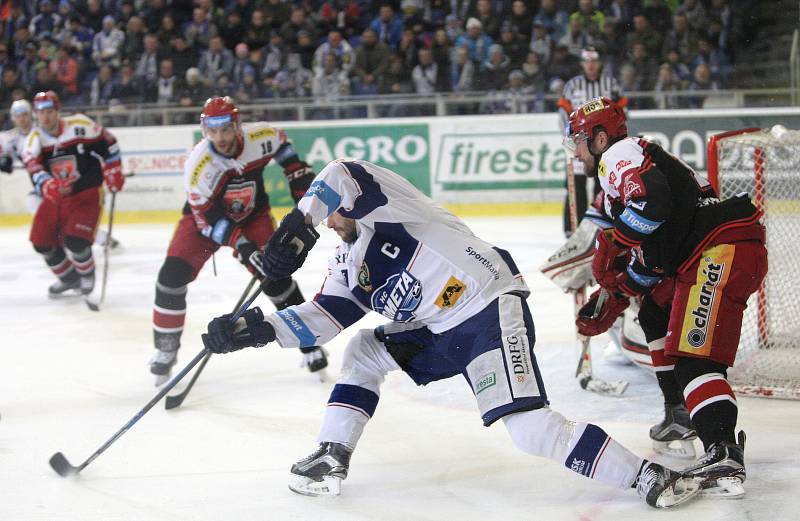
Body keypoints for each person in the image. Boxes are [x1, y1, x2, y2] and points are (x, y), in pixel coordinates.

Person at [199, 158, 702, 508]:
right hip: (439, 331)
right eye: (323, 221)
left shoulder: (384, 204)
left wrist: (297, 228)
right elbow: (320, 321)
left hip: (486, 309)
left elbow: (339, 174)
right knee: (363, 350)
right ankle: (333, 452)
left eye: (327, 214)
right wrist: (252, 329)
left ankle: (648, 477)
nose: (331, 225)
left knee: (530, 431)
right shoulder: (347, 262)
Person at [564, 97, 767, 498]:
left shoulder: (617, 156)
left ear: (600, 137)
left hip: (718, 252)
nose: (577, 151)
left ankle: (722, 450)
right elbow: (655, 259)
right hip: (709, 253)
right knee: (655, 310)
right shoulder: (642, 157)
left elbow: (652, 204)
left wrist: (617, 239)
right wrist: (616, 296)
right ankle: (679, 412)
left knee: (695, 360)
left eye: (580, 141)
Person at [149, 96, 326, 386]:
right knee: (170, 278)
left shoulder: (262, 136)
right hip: (204, 221)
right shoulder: (198, 166)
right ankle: (166, 349)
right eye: (212, 130)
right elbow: (206, 218)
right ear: (205, 129)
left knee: (277, 278)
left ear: (238, 126)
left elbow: (286, 152)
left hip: (253, 216)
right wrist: (243, 247)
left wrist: (297, 177)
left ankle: (309, 343)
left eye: (226, 129)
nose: (219, 137)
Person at [21, 91, 124, 298]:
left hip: (86, 192)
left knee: (76, 242)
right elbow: (31, 164)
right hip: (56, 196)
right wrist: (46, 183)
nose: (46, 117)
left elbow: (109, 141)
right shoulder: (35, 138)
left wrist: (114, 168)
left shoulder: (80, 125)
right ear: (35, 115)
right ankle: (70, 279)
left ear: (58, 111)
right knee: (42, 242)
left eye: (50, 111)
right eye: (41, 113)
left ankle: (87, 275)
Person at [558, 47, 627, 237]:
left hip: (604, 145)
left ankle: (602, 226)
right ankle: (573, 230)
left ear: (599, 63)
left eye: (594, 61)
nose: (590, 65)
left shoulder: (610, 84)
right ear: (582, 64)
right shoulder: (572, 86)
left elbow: (621, 112)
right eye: (587, 61)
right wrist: (571, 141)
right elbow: (563, 113)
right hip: (579, 145)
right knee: (576, 187)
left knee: (604, 185)